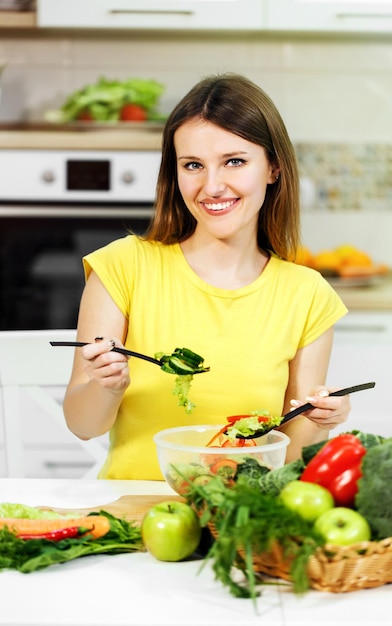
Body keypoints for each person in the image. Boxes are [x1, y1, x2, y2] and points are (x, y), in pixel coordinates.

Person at [63, 73, 350, 480]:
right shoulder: (122, 268)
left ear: (273, 168)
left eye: (234, 161)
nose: (212, 186)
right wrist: (105, 387)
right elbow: (83, 425)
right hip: (133, 510)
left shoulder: (308, 295)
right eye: (193, 165)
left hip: (240, 517)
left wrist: (319, 420)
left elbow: (289, 456)